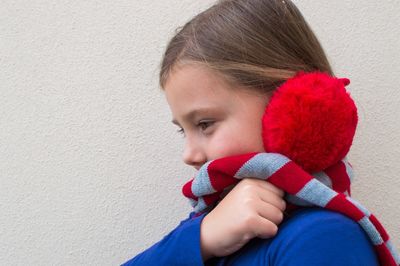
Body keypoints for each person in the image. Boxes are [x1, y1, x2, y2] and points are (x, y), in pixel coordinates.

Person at [122, 0, 384, 265]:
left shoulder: (323, 237)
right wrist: (201, 239)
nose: (188, 155)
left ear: (293, 108)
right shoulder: (213, 224)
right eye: (183, 130)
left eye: (204, 124)